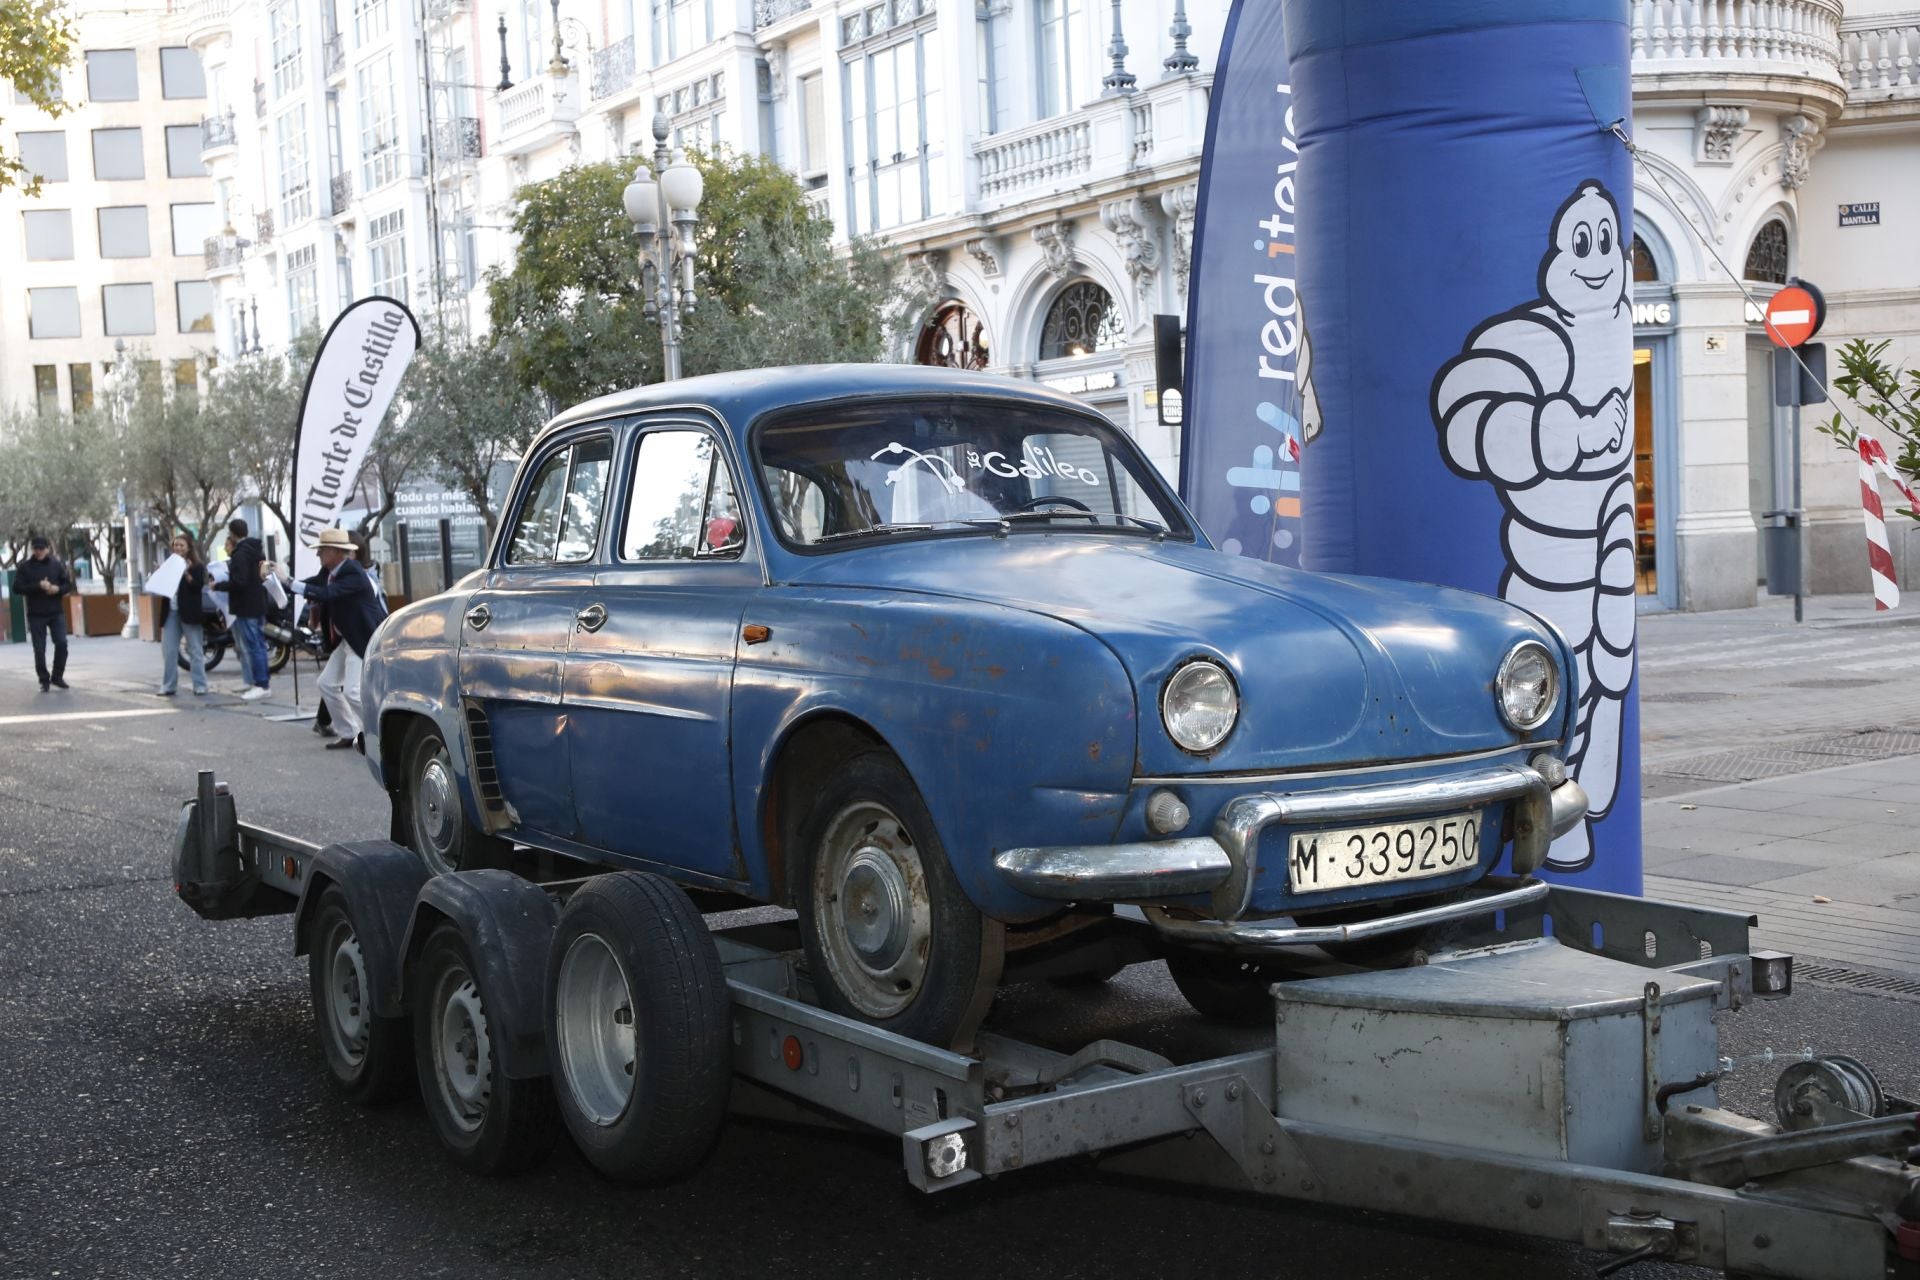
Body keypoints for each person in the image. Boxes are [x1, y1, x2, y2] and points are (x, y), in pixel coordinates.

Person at [284, 528, 383, 751]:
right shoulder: (330, 572)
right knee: (326, 684)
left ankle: (382, 733)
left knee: (352, 692)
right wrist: (279, 580)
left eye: (321, 550)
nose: (318, 554)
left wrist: (288, 581)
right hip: (347, 639)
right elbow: (312, 586)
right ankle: (349, 732)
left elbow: (326, 594)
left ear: (335, 552)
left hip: (363, 639)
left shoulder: (353, 572)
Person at [213, 518, 271, 702]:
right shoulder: (255, 550)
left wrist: (219, 585)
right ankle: (257, 682)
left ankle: (261, 684)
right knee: (257, 646)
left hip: (247, 606)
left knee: (254, 646)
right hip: (257, 603)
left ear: (232, 533)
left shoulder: (240, 554)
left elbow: (239, 581)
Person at [11, 536, 72, 691]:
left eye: (41, 549)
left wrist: (57, 589)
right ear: (32, 550)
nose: (38, 552)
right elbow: (17, 588)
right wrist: (38, 586)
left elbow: (67, 584)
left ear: (47, 549)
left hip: (56, 612)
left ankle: (57, 676)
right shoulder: (25, 567)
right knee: (39, 648)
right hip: (36, 613)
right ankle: (44, 680)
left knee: (62, 644)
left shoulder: (56, 565)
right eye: (35, 549)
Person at [156, 535, 210, 697]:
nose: (178, 548)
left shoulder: (197, 566)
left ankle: (200, 685)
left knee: (195, 650)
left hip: (190, 613)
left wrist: (186, 572)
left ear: (188, 547)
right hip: (171, 612)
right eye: (175, 545)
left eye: (181, 545)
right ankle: (168, 685)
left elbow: (197, 586)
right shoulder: (169, 565)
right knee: (169, 650)